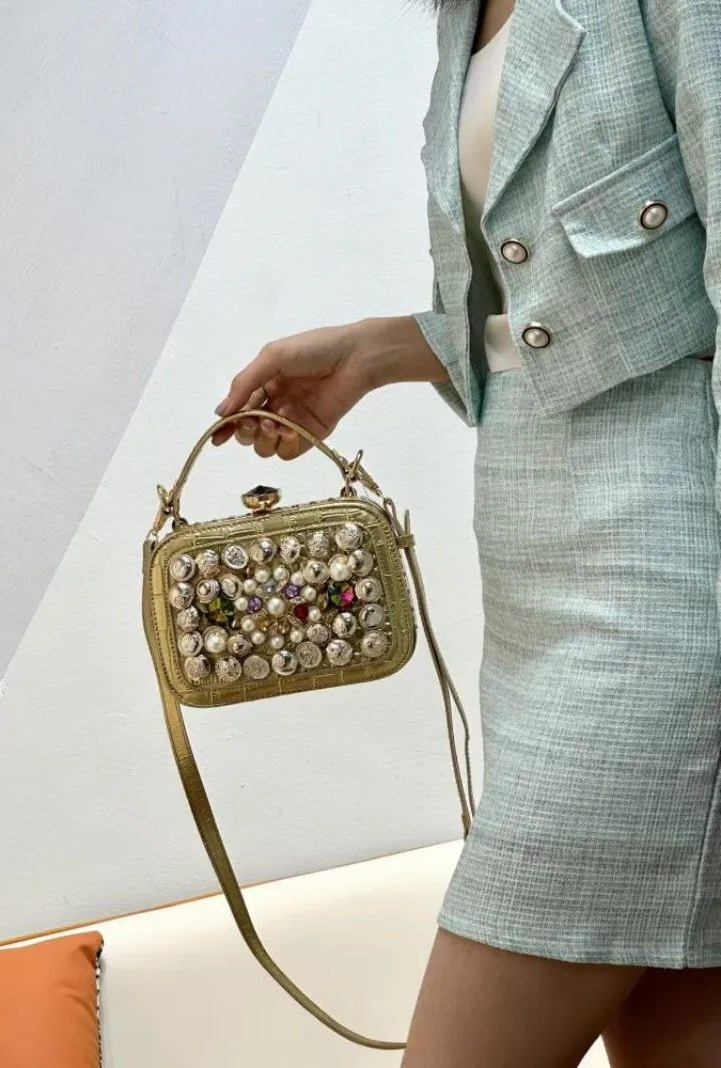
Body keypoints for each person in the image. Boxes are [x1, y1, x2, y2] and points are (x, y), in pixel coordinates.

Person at [212, 0, 721, 1063]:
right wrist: (376, 351)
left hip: (663, 589)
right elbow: (563, 309)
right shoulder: (459, 17)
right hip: (532, 582)